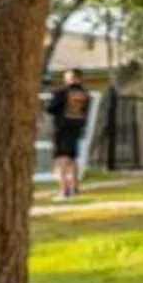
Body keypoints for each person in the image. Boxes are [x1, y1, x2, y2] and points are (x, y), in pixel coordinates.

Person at [46, 69, 93, 198]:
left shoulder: (62, 93)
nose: (66, 80)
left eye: (68, 77)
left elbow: (50, 108)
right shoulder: (85, 94)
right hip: (76, 127)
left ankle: (64, 189)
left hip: (62, 128)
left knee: (61, 158)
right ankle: (74, 187)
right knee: (72, 158)